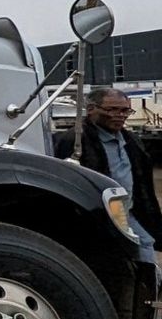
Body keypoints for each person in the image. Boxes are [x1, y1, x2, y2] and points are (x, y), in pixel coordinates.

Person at [55, 88, 161, 239]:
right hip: (96, 219)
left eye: (125, 111)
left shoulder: (131, 141)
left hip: (128, 215)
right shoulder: (75, 141)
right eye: (112, 110)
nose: (120, 115)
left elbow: (143, 185)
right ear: (91, 109)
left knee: (145, 249)